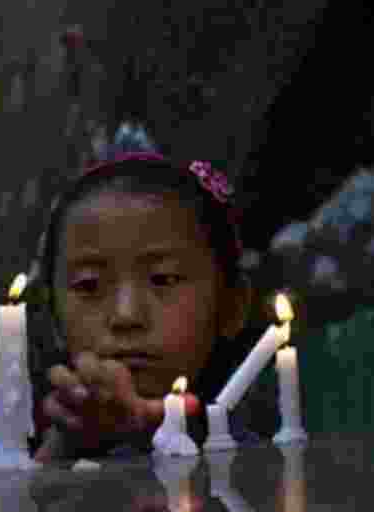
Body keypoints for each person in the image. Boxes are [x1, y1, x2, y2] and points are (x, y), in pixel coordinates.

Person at [25, 151, 260, 462]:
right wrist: (62, 448)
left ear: (233, 305)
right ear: (52, 309)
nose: (126, 315)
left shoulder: (269, 470)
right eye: (89, 285)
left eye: (163, 279)